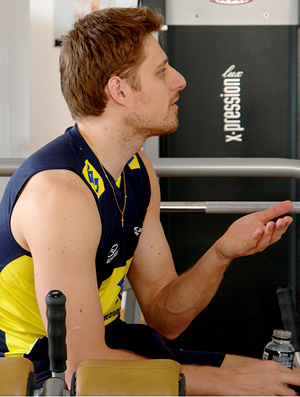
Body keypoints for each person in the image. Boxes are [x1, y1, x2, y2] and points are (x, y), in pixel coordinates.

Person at [0, 6, 299, 395]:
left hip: (110, 345)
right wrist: (225, 383)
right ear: (119, 90)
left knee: (286, 381)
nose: (179, 80)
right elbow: (83, 367)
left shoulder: (137, 169)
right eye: (161, 71)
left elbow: (164, 315)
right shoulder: (61, 194)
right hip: (40, 369)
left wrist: (220, 253)